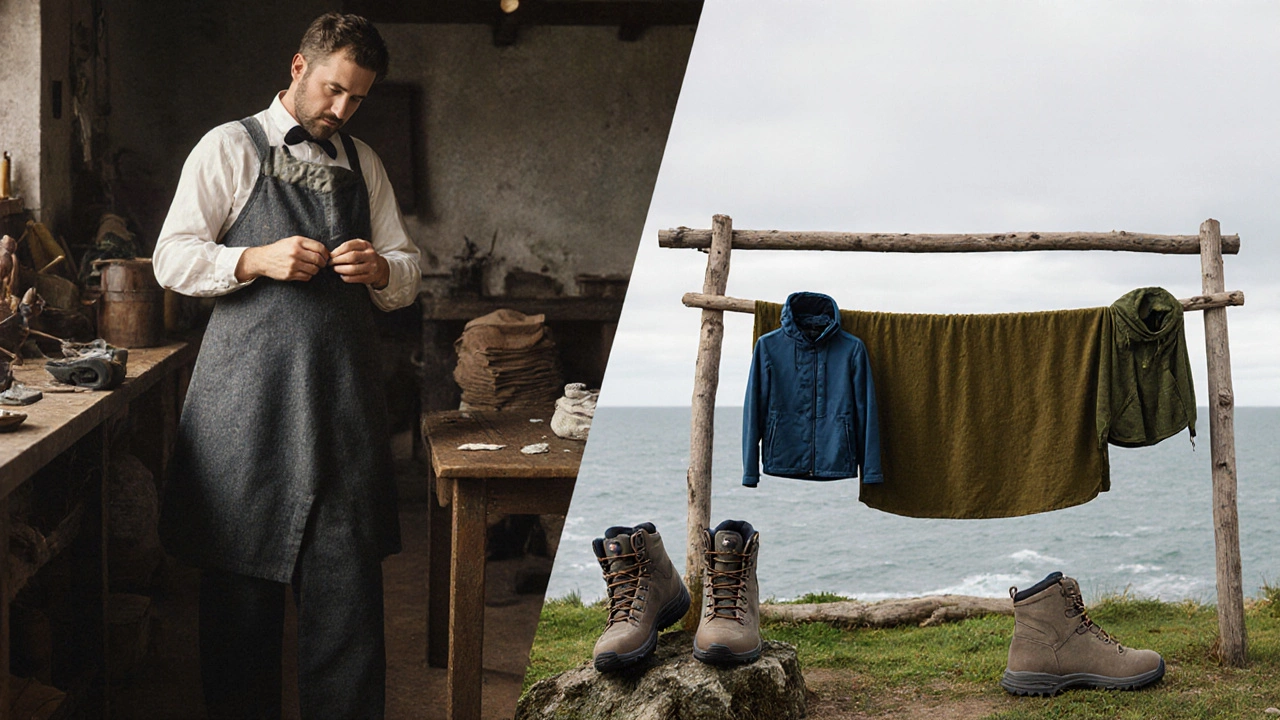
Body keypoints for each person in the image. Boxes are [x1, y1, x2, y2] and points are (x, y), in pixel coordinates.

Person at [152, 13, 420, 719]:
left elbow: (410, 270)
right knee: (240, 617)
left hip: (341, 416)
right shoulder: (227, 147)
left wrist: (380, 268)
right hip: (246, 414)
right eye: (333, 90)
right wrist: (252, 258)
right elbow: (171, 257)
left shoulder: (365, 162)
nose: (341, 110)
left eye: (357, 98)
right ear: (299, 68)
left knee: (348, 611)